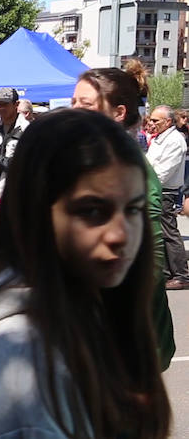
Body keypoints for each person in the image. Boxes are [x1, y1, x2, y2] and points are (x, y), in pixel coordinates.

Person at [0, 109, 171, 438]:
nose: (120, 233)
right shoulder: (19, 362)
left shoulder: (82, 304)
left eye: (132, 209)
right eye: (92, 210)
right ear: (36, 211)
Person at [71, 61, 175, 370]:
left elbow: (152, 259)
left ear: (118, 113)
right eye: (73, 101)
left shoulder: (129, 169)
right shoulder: (86, 161)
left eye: (85, 104)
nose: (74, 109)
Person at [145, 104, 189, 290]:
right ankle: (166, 273)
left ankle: (181, 275)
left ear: (168, 121)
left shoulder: (175, 140)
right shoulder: (160, 139)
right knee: (159, 234)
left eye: (156, 120)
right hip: (154, 190)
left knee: (168, 233)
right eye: (151, 120)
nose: (151, 123)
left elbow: (163, 172)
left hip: (163, 192)